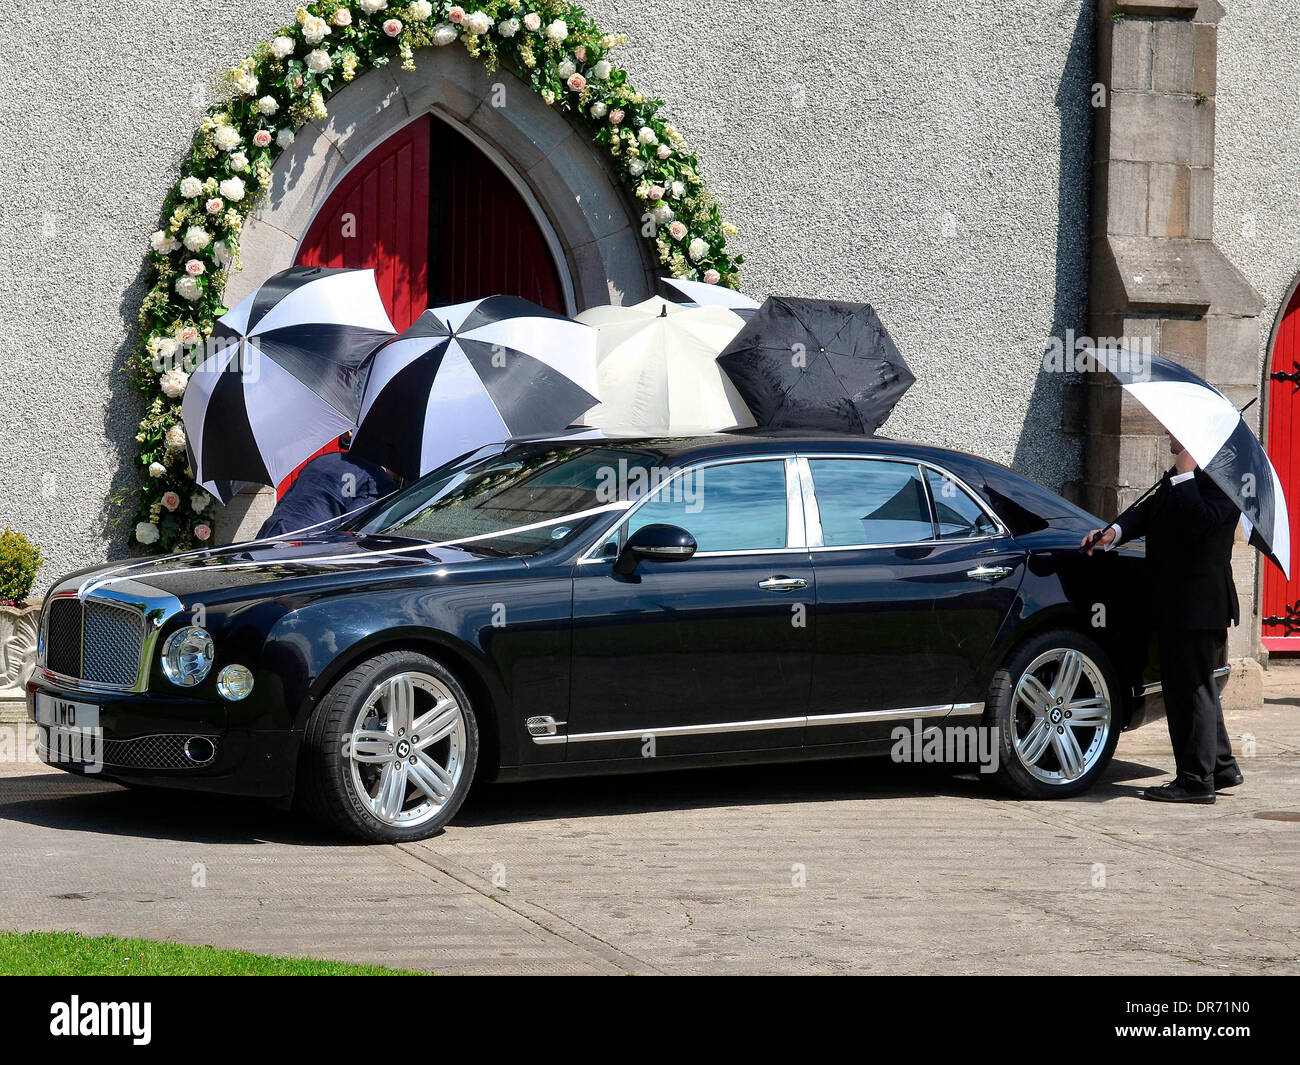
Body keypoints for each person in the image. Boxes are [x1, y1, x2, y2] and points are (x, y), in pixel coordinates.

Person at [1082, 434, 1243, 804]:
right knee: (1197, 685)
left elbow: (1201, 526)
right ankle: (1220, 766)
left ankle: (1194, 781)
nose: (1168, 436)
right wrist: (1113, 533)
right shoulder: (1180, 476)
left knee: (1189, 690)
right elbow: (1153, 510)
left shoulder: (1222, 481)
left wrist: (1186, 477)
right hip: (1177, 602)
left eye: (1174, 431)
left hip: (1197, 605)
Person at [257, 432, 397, 539]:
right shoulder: (377, 480)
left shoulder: (323, 460)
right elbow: (353, 531)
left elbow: (287, 501)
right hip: (302, 547)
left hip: (268, 536)